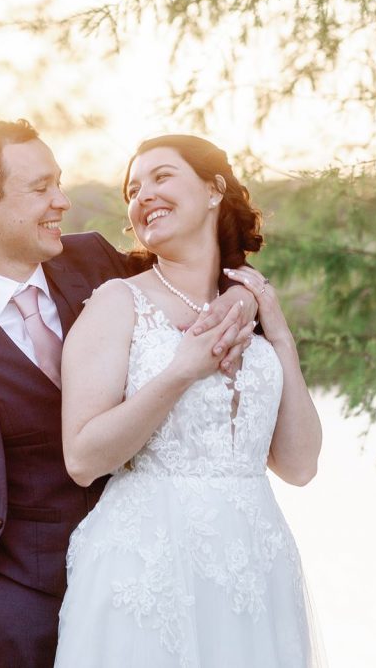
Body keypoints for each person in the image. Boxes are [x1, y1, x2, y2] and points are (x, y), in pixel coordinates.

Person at [0, 120, 257, 668]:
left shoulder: (94, 262)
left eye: (59, 182)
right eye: (41, 188)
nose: (62, 201)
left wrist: (244, 298)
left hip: (142, 590)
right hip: (17, 616)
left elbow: (194, 279)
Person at [55, 134, 323, 667]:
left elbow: (299, 466)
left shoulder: (250, 304)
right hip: (150, 566)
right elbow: (82, 459)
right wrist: (181, 371)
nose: (144, 195)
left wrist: (280, 335)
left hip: (256, 564)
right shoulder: (118, 302)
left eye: (162, 176)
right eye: (133, 190)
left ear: (213, 190)